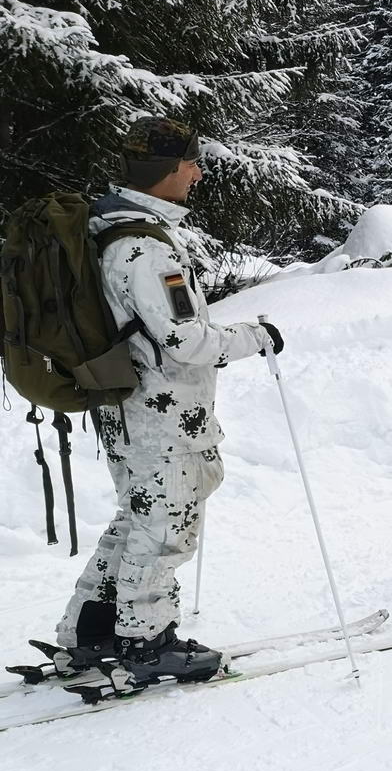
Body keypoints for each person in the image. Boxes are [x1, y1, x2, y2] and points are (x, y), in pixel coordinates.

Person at [54, 116, 282, 691]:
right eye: (190, 163)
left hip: (124, 404)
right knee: (165, 527)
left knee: (138, 516)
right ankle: (147, 641)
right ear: (166, 170)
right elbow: (186, 341)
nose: (198, 173)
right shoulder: (145, 247)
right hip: (161, 412)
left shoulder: (106, 228)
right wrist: (257, 336)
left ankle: (92, 631)